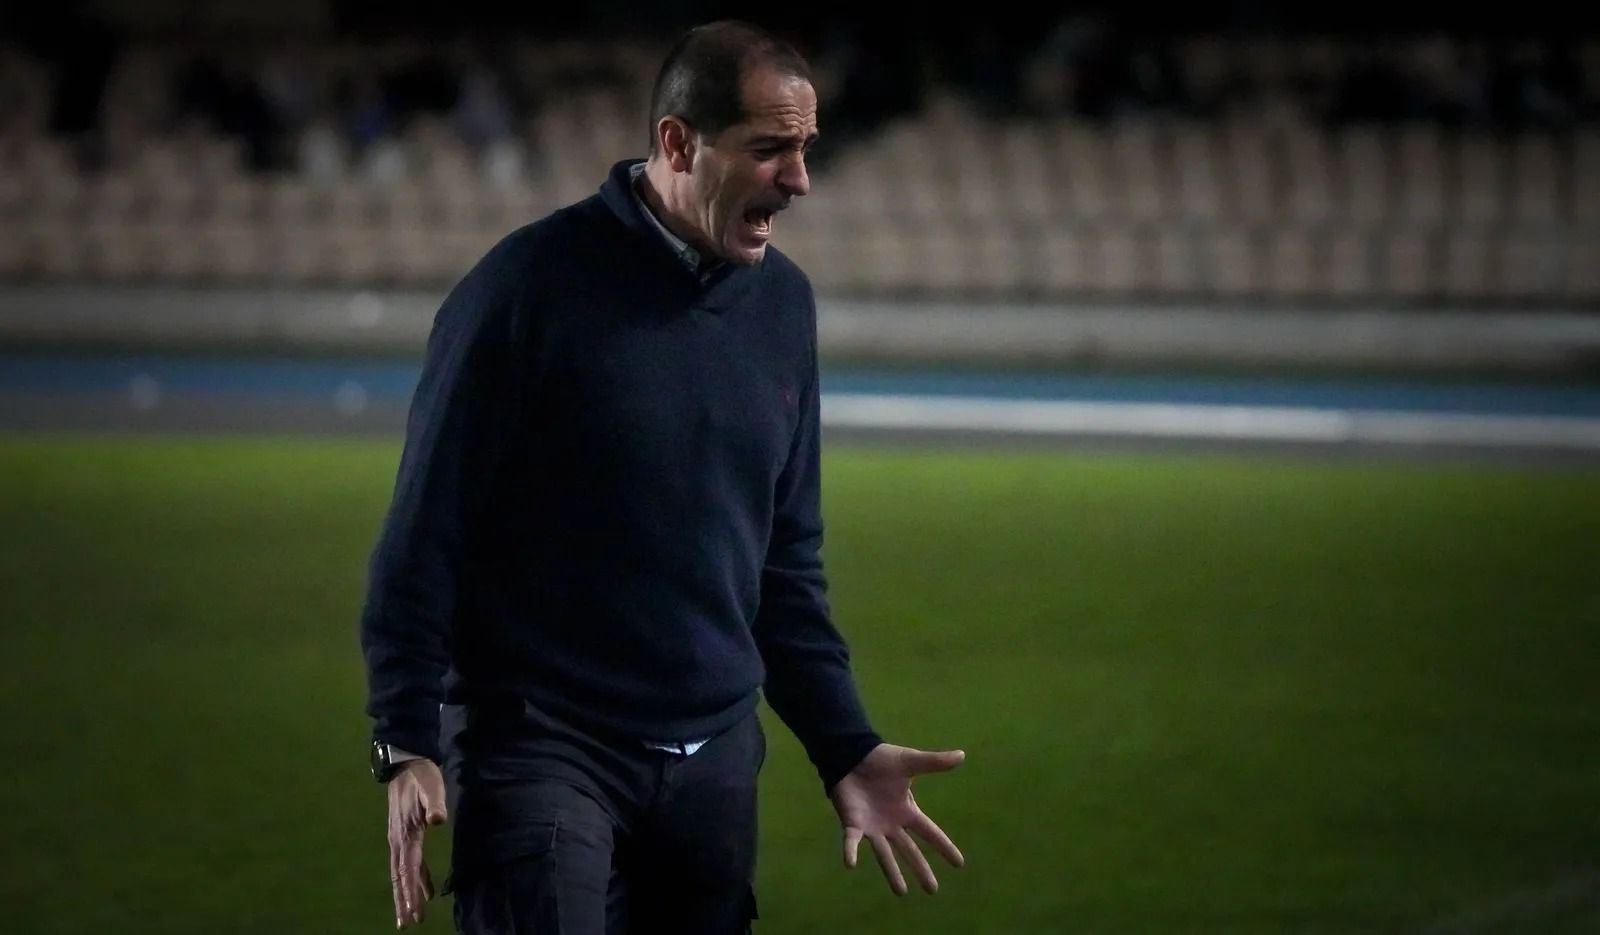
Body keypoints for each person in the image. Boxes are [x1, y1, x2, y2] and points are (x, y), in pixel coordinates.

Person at [359, 20, 966, 934]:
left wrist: (845, 743)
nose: (799, 180)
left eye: (805, 149)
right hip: (540, 744)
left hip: (714, 763)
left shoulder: (784, 306)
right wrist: (405, 741)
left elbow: (783, 565)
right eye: (770, 149)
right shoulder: (523, 290)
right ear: (678, 142)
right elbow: (422, 534)